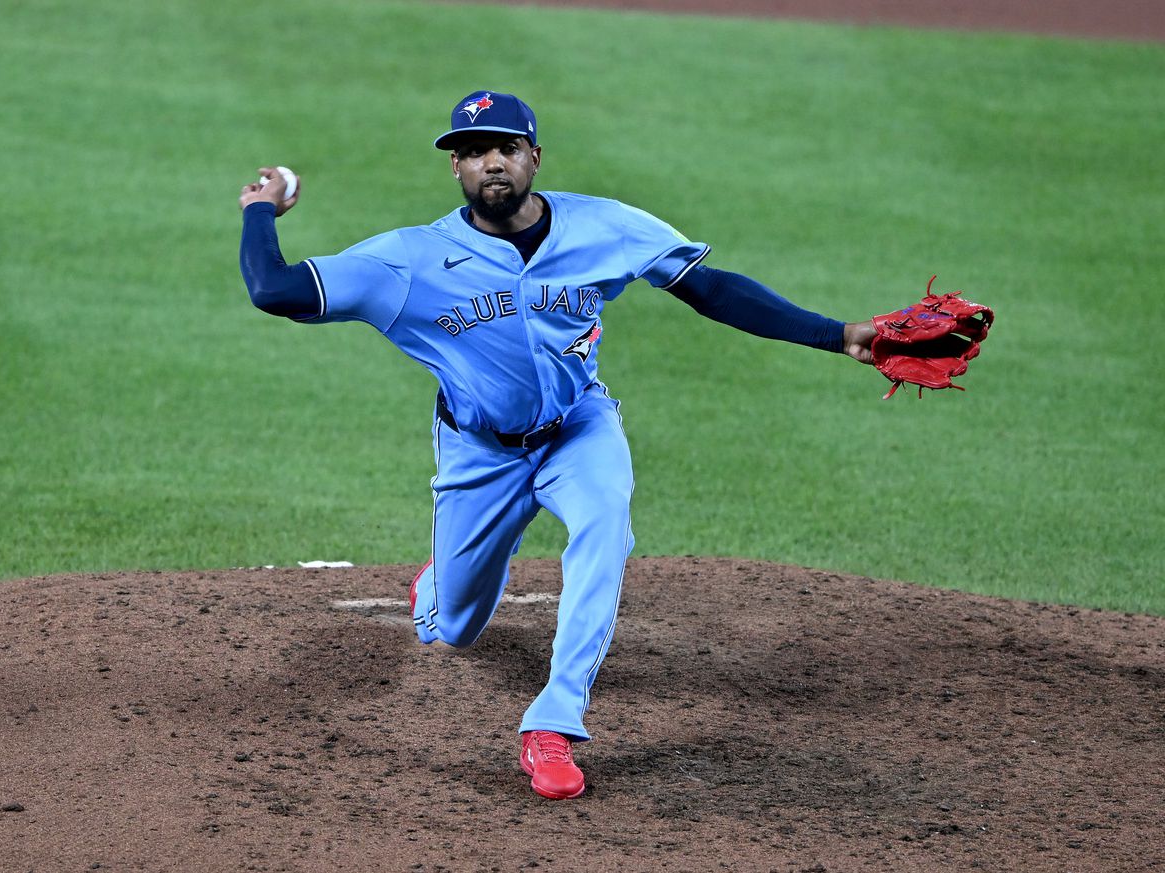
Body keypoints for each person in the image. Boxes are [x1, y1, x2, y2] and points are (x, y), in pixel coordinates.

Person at [238, 90, 878, 800]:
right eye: (474, 151)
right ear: (456, 168)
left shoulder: (603, 226)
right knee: (454, 627)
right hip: (480, 455)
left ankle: (553, 721)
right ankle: (439, 590)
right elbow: (273, 290)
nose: (492, 162)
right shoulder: (409, 262)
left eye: (506, 147)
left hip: (580, 429)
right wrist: (260, 209)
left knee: (606, 523)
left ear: (533, 157)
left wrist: (839, 334)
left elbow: (712, 289)